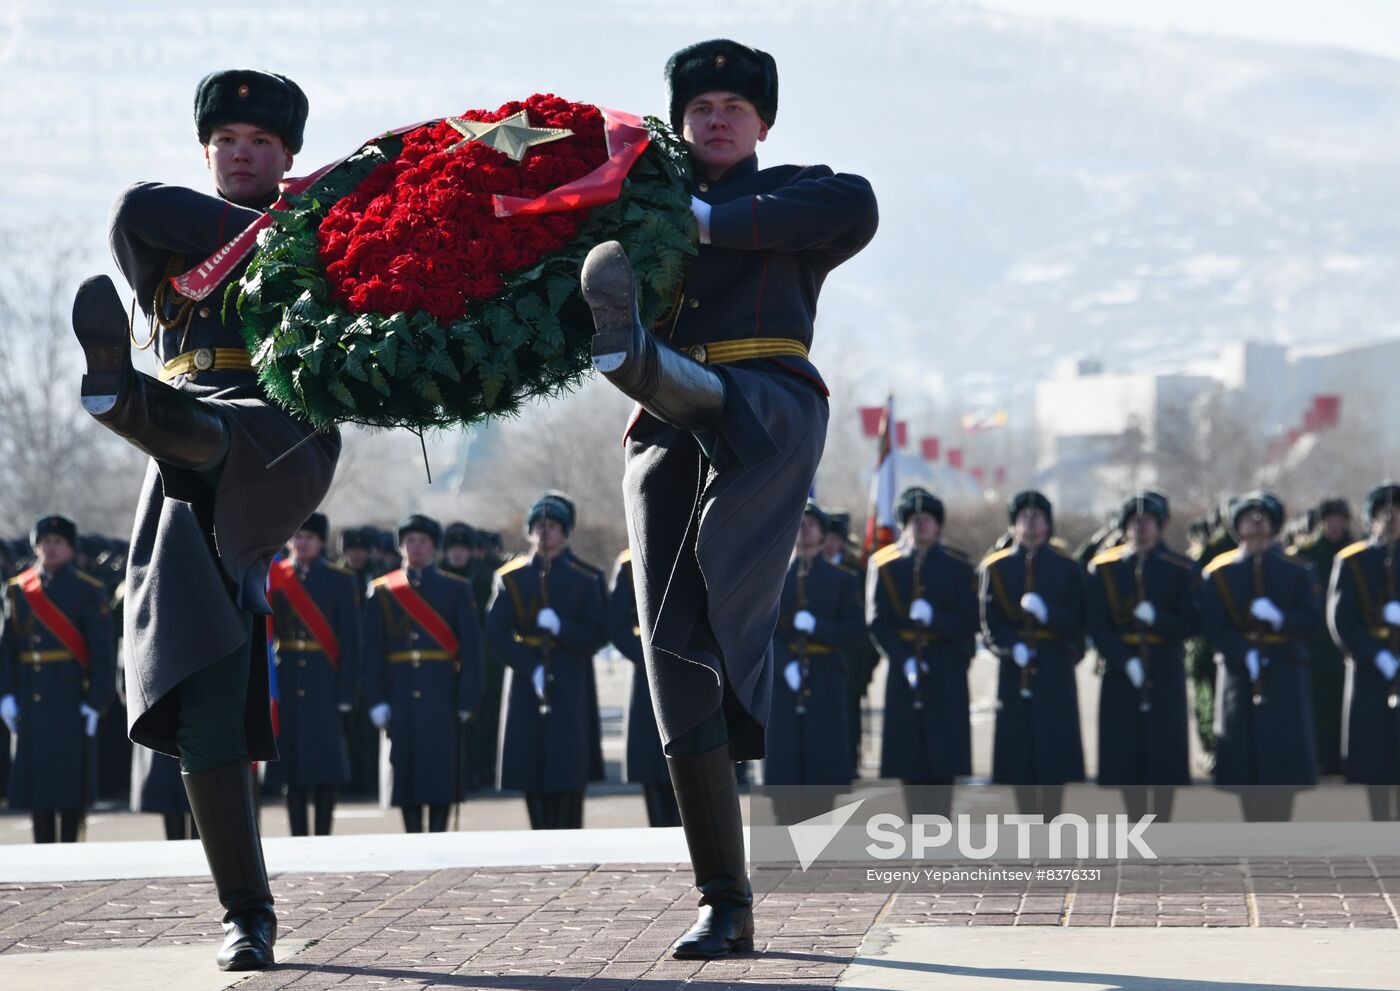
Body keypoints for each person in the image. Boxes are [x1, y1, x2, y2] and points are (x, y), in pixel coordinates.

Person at [576, 37, 877, 958]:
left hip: (765, 403)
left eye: (733, 110)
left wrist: (701, 225)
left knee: (713, 415)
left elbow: (854, 206)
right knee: (673, 651)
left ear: (762, 124)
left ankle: (632, 355)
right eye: (700, 108)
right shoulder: (641, 204)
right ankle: (724, 897)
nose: (715, 119)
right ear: (679, 121)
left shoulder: (796, 191)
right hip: (665, 426)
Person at [69, 69, 339, 970]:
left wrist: (316, 230)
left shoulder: (336, 238)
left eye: (260, 142)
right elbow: (136, 211)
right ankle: (246, 916)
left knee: (211, 434)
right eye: (226, 140)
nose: (241, 151)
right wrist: (288, 232)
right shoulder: (200, 226)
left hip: (278, 428)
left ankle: (119, 398)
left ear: (288, 155)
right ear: (206, 151)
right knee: (201, 692)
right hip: (186, 472)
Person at [487, 494, 607, 829]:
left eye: (552, 526)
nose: (545, 533)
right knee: (531, 765)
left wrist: (563, 629)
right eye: (538, 527)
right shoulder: (511, 578)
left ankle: (570, 835)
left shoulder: (586, 577)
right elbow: (495, 633)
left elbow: (599, 632)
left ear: (565, 532)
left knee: (569, 765)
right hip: (527, 679)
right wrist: (531, 665)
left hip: (571, 676)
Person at [1201, 492, 1321, 821]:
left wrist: (1280, 618)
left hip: (1285, 669)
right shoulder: (1218, 572)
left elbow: (1312, 621)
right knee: (1244, 758)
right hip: (1240, 674)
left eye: (1263, 517)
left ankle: (1281, 827)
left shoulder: (1298, 571)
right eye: (1247, 518)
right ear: (1236, 526)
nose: (1255, 524)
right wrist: (1242, 653)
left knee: (1283, 757)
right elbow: (1212, 627)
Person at [361, 515, 482, 833]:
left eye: (424, 541)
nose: (416, 547)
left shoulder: (456, 589)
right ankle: (411, 838)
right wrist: (375, 699)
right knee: (406, 771)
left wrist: (467, 698)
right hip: (399, 691)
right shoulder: (382, 591)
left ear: (434, 548)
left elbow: (472, 650)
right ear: (401, 546)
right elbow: (372, 651)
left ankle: (439, 837)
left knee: (440, 770)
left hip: (442, 690)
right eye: (410, 541)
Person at [1, 515, 115, 843]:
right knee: (38, 787)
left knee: (68, 786)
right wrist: (5, 695)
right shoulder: (17, 590)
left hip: (70, 696)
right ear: (36, 547)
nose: (51, 548)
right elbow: (5, 649)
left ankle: (69, 848)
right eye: (45, 542)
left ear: (69, 548)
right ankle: (42, 849)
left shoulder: (88, 590)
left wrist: (96, 701)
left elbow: (102, 654)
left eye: (58, 542)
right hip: (31, 695)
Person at [1086, 493, 1199, 822]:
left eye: (1148, 521)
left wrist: (1160, 619)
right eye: (1134, 522)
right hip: (1122, 668)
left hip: (1165, 664)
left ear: (1161, 525)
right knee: (1125, 747)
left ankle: (1162, 818)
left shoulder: (1181, 568)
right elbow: (1097, 624)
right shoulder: (1103, 568)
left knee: (1165, 745)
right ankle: (1135, 819)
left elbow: (1193, 621)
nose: (1141, 528)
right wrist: (1125, 660)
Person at [866, 488, 978, 819]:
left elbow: (969, 620)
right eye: (913, 521)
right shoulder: (885, 567)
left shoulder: (958, 567)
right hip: (905, 666)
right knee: (908, 748)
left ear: (938, 525)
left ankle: (940, 818)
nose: (920, 526)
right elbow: (876, 622)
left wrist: (936, 620)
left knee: (944, 747)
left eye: (926, 520)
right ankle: (914, 819)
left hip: (944, 664)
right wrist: (903, 658)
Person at [980, 491, 1086, 821]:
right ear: (1012, 525)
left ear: (1048, 524)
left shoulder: (1067, 568)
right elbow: (990, 623)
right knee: (1019, 748)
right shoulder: (996, 568)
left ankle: (1053, 818)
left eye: (1037, 516)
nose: (1030, 523)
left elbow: (1080, 618)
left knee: (1053, 746)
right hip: (1016, 665)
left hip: (1054, 662)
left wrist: (1048, 615)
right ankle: (1026, 819)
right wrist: (1012, 647)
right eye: (1023, 517)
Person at [764, 503, 863, 822]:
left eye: (811, 524)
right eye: (799, 522)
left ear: (823, 535)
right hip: (784, 679)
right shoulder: (771, 578)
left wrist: (819, 627)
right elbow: (760, 630)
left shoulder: (842, 580)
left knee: (823, 758)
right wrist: (784, 664)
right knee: (785, 759)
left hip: (825, 676)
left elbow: (853, 630)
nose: (804, 529)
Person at [268, 513, 360, 836]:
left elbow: (351, 640)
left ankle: (324, 836)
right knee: (292, 768)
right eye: (296, 535)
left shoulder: (340, 580)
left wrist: (346, 693)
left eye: (309, 536)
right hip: (289, 676)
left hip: (325, 678)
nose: (301, 542)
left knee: (325, 766)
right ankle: (297, 837)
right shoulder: (275, 577)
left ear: (321, 542)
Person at [1326, 483, 1400, 820]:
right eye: (1384, 514)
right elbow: (1341, 620)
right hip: (1371, 669)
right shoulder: (1352, 560)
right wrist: (1376, 654)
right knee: (1374, 755)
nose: (1391, 519)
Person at [608, 546, 680, 827]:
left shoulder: (696, 550)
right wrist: (649, 659)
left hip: (690, 672)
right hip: (647, 673)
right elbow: (617, 624)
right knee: (651, 763)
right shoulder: (629, 562)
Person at [1289, 498, 1354, 776]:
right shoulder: (1304, 554)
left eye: (1340, 519)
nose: (1335, 524)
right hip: (1315, 641)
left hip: (1348, 641)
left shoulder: (1354, 553)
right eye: (1330, 519)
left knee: (1344, 703)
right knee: (1316, 703)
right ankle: (1317, 756)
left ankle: (1342, 757)